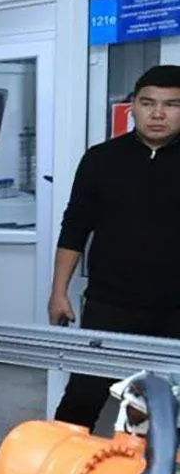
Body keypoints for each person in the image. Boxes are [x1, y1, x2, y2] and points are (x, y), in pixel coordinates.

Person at [50, 65, 180, 431]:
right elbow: (75, 226)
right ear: (132, 106)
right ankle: (58, 461)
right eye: (148, 103)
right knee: (81, 398)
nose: (158, 114)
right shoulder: (101, 159)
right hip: (111, 305)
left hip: (176, 309)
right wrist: (58, 292)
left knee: (169, 404)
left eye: (171, 105)